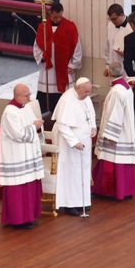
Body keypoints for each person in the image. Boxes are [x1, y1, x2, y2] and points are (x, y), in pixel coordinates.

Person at [0, 83, 44, 229]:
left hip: (27, 156)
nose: (30, 98)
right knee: (18, 189)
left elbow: (34, 124)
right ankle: (17, 220)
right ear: (17, 96)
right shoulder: (9, 113)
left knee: (29, 186)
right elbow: (18, 134)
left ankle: (29, 217)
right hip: (16, 155)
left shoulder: (26, 108)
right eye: (27, 95)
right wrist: (34, 126)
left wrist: (37, 125)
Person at [93, 63, 135, 200]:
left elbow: (115, 114)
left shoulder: (116, 91)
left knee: (112, 160)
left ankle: (110, 191)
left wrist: (110, 135)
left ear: (109, 73)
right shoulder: (125, 86)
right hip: (125, 131)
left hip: (116, 135)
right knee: (122, 162)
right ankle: (126, 189)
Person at [52, 77, 96, 216]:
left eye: (89, 92)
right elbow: (62, 125)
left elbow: (91, 114)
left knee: (83, 171)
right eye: (85, 92)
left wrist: (93, 126)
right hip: (70, 144)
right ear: (78, 88)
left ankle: (83, 201)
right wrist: (74, 141)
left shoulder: (85, 97)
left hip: (84, 142)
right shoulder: (67, 100)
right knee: (72, 172)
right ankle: (70, 204)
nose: (87, 95)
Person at [33, 2, 81, 114]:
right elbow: (37, 45)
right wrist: (42, 57)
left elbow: (77, 47)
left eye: (60, 16)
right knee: (46, 94)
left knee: (64, 96)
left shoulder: (70, 27)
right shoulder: (43, 27)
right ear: (50, 14)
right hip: (48, 69)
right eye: (55, 17)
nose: (57, 19)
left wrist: (73, 65)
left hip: (64, 68)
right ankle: (45, 115)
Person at [104, 4, 130, 77]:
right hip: (112, 66)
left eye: (114, 19)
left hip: (125, 67)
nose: (112, 21)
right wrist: (107, 65)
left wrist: (126, 54)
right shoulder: (110, 25)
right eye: (110, 19)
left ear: (121, 15)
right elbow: (108, 46)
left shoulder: (131, 27)